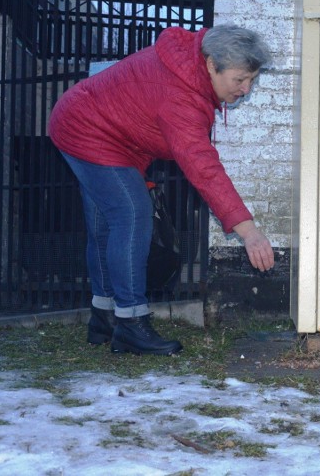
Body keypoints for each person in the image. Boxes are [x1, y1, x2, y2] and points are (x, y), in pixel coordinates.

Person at [48, 25, 275, 355]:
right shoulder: (181, 95)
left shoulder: (190, 67)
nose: (246, 89)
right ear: (212, 64)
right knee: (132, 214)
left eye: (251, 80)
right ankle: (130, 323)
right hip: (86, 129)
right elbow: (203, 168)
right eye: (240, 79)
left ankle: (104, 317)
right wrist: (249, 231)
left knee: (105, 226)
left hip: (100, 128)